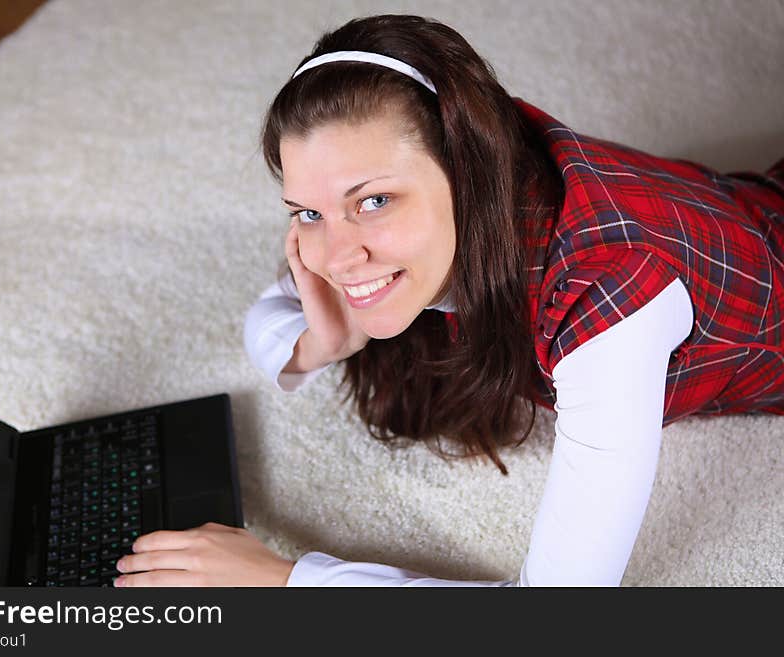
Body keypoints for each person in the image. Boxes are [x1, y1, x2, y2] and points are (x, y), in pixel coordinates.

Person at [114, 14, 784, 587]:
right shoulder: (480, 151)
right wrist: (322, 341)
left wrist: (284, 579)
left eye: (372, 200)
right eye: (308, 211)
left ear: (467, 167)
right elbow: (273, 308)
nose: (337, 257)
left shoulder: (607, 304)